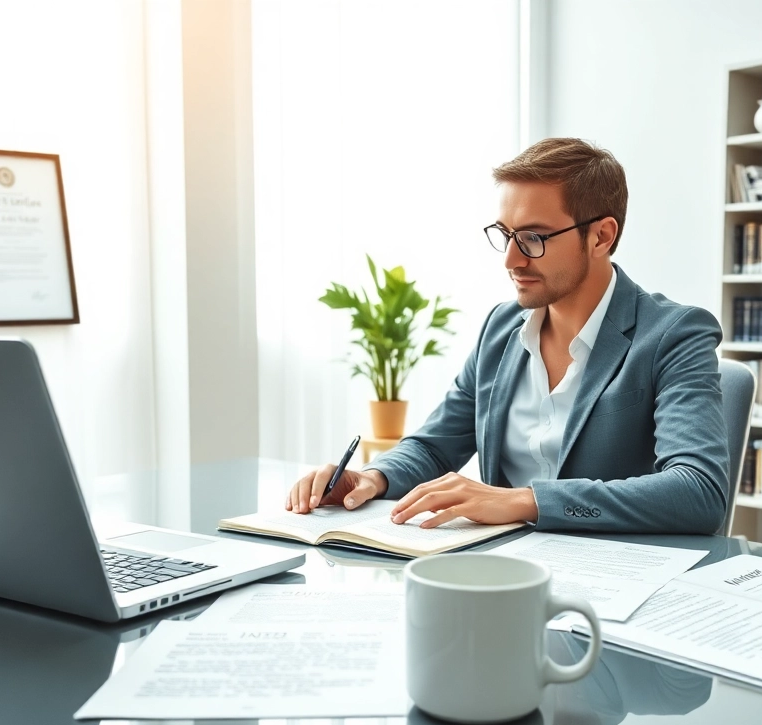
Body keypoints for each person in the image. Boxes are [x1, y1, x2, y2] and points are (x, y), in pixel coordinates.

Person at [285, 138, 730, 534]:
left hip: (616, 579)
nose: (511, 260)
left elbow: (698, 490)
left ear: (601, 236)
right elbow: (435, 445)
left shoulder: (675, 334)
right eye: (506, 235)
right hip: (502, 571)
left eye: (534, 238)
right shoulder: (501, 328)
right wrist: (372, 479)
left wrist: (524, 501)